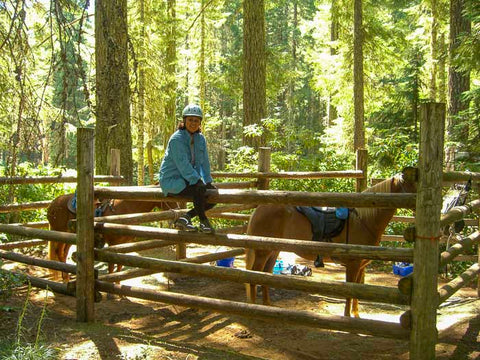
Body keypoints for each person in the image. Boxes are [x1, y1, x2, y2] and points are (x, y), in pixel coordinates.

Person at [159, 104, 216, 233]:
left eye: (196, 120)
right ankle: (204, 222)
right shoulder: (176, 139)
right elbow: (183, 165)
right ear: (184, 120)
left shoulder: (200, 139)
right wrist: (197, 180)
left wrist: (208, 181)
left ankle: (186, 217)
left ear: (200, 122)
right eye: (190, 120)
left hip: (188, 179)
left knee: (213, 193)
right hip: (171, 180)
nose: (193, 123)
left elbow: (204, 162)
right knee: (200, 188)